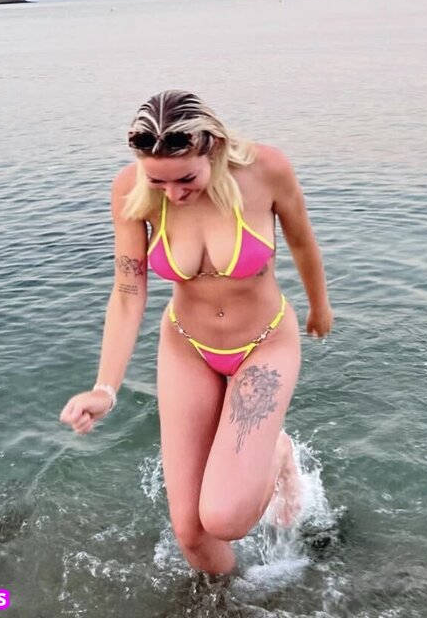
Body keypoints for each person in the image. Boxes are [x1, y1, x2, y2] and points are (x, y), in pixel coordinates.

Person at [59, 90, 333, 575]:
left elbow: (301, 241)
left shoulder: (266, 170)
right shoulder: (130, 191)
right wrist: (105, 389)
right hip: (187, 347)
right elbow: (128, 291)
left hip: (264, 344)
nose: (173, 194)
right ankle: (234, 598)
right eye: (157, 180)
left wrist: (319, 306)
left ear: (214, 148)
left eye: (186, 178)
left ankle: (278, 452)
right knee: (191, 534)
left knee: (225, 519)